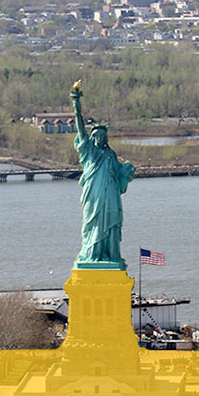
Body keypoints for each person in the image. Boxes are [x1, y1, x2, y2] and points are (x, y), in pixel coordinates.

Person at [70, 80, 136, 269]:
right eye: (96, 135)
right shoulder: (90, 152)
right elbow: (80, 129)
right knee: (93, 222)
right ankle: (92, 253)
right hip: (95, 195)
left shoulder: (110, 154)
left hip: (111, 195)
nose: (100, 138)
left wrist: (127, 174)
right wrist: (76, 105)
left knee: (112, 223)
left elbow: (120, 179)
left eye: (102, 135)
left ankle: (111, 254)